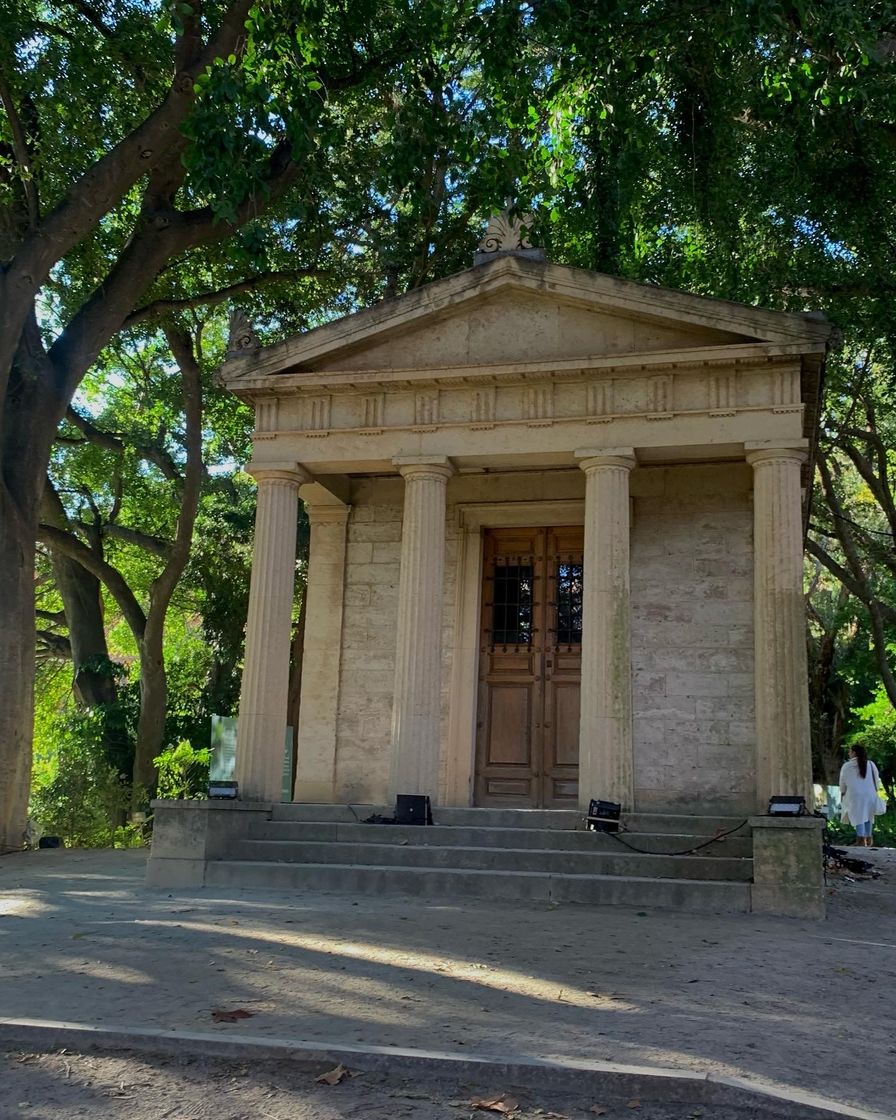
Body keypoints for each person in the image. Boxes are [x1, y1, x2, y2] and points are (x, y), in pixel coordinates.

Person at [839, 745, 882, 847]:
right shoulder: (871, 764)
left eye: (850, 751)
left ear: (854, 753)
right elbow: (877, 780)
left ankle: (861, 839)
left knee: (858, 816)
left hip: (855, 795)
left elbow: (842, 782)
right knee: (868, 815)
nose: (849, 753)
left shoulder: (847, 766)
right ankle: (868, 838)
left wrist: (842, 791)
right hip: (870, 794)